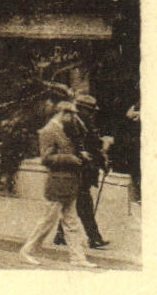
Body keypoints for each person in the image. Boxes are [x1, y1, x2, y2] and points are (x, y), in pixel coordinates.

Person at [19, 100, 96, 267]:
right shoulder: (48, 131)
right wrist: (70, 159)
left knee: (71, 223)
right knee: (48, 221)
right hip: (57, 183)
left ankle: (78, 258)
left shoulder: (65, 129)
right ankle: (27, 251)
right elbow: (46, 159)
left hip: (69, 183)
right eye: (71, 114)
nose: (74, 117)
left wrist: (80, 155)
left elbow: (67, 150)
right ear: (62, 113)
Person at [56, 94, 110, 249]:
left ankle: (61, 235)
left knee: (75, 204)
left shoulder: (85, 123)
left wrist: (103, 161)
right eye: (90, 111)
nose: (92, 114)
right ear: (80, 109)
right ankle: (94, 238)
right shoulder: (72, 125)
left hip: (84, 172)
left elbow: (94, 146)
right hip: (77, 171)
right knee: (84, 204)